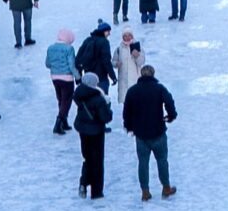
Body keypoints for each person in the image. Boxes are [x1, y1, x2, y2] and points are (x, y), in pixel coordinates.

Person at [123, 64, 178, 200]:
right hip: (158, 131)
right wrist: (171, 116)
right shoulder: (159, 88)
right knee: (162, 160)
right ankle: (166, 187)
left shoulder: (132, 91)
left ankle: (145, 191)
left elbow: (127, 111)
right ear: (153, 74)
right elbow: (169, 102)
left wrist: (129, 126)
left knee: (143, 162)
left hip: (141, 134)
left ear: (141, 75)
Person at [73, 71, 114, 199]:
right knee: (97, 161)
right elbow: (105, 117)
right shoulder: (98, 98)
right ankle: (96, 192)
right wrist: (108, 106)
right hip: (96, 132)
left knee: (87, 158)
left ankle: (84, 182)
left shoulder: (79, 95)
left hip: (83, 130)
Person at [45, 28, 78, 134]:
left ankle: (64, 122)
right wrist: (77, 77)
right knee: (66, 101)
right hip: (67, 78)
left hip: (55, 77)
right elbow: (72, 65)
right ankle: (58, 123)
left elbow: (47, 64)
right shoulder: (69, 49)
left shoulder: (50, 48)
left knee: (60, 100)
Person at [113, 31, 144, 104]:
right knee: (126, 103)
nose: (127, 38)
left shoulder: (138, 47)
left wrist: (137, 56)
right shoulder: (119, 49)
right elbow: (113, 61)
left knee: (137, 102)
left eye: (129, 35)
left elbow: (141, 62)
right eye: (125, 36)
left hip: (135, 80)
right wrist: (116, 64)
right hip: (123, 81)